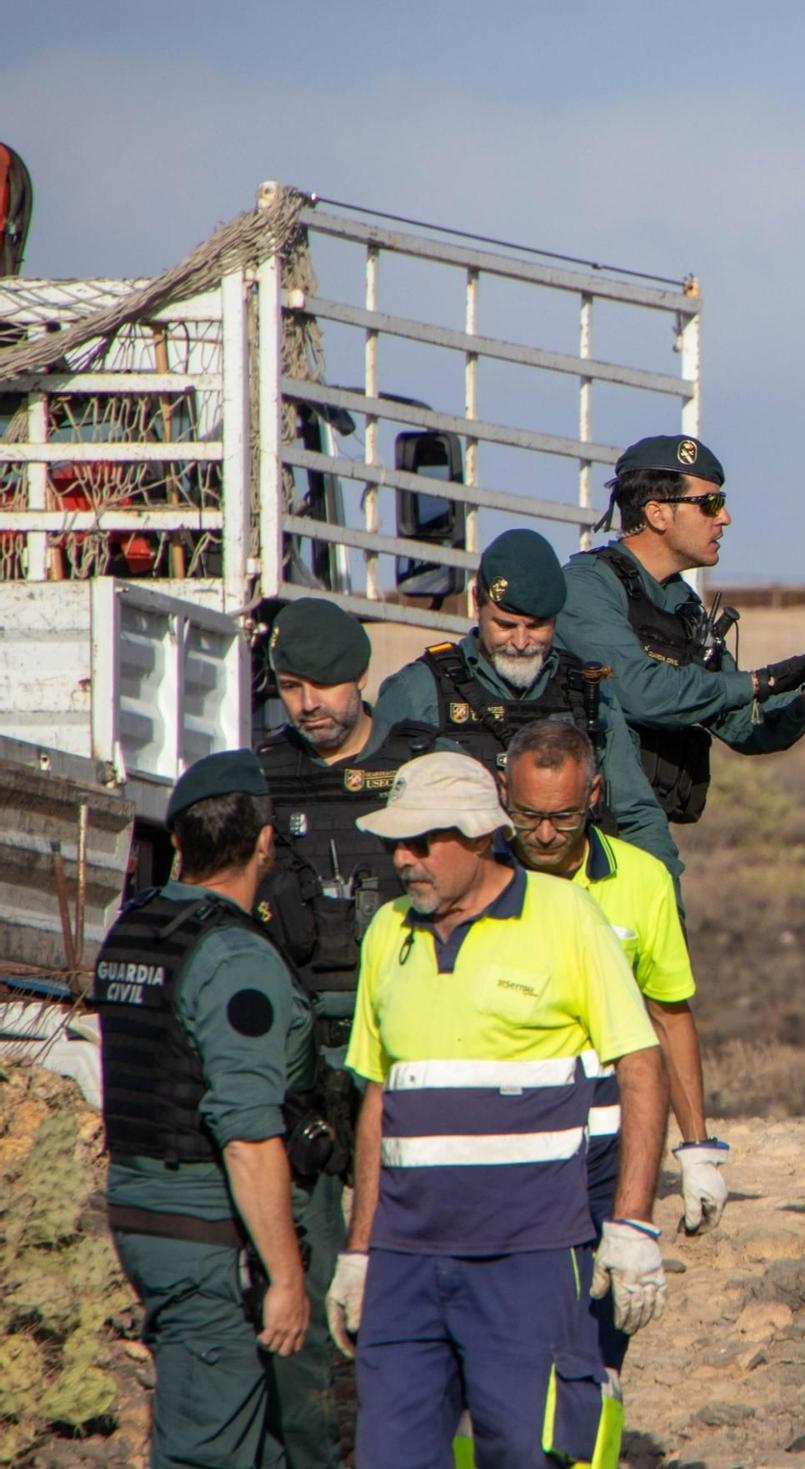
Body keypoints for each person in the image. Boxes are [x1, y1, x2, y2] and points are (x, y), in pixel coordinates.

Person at [322, 752, 669, 1469]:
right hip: (406, 1267)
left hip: (531, 1263)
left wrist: (633, 1224)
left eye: (423, 842)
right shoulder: (388, 930)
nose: (403, 858)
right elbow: (382, 1095)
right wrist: (359, 1250)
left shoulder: (566, 915)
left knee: (528, 1453)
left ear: (480, 835)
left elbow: (641, 1062)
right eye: (396, 842)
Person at [93, 752, 326, 1469]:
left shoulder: (133, 927)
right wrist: (286, 1277)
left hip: (144, 1213)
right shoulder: (232, 956)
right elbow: (247, 1132)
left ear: (182, 843)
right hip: (208, 1235)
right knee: (209, 1452)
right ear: (263, 843)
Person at [253, 596, 443, 1468]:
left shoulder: (419, 771)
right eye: (290, 686)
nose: (307, 704)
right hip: (300, 1053)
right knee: (313, 1263)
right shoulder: (264, 774)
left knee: (412, 1269)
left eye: (323, 684)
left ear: (361, 676)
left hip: (406, 1047)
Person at [501, 718, 722, 1417]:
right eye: (527, 814)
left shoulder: (643, 880)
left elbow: (669, 1015)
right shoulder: (480, 874)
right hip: (508, 1134)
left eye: (562, 816)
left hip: (609, 1133)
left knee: (599, 1329)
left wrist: (698, 1148)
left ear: (595, 793)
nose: (541, 833)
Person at [555, 433, 805, 884]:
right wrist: (756, 683)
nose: (724, 518)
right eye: (709, 503)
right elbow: (640, 692)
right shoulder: (587, 588)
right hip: (575, 842)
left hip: (643, 836)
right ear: (657, 513)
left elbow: (745, 727)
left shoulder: (682, 604)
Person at [369, 527, 674, 864]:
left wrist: (663, 900)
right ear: (476, 602)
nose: (520, 641)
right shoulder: (417, 691)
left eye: (537, 626)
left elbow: (637, 815)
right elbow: (378, 815)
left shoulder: (587, 690)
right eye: (505, 625)